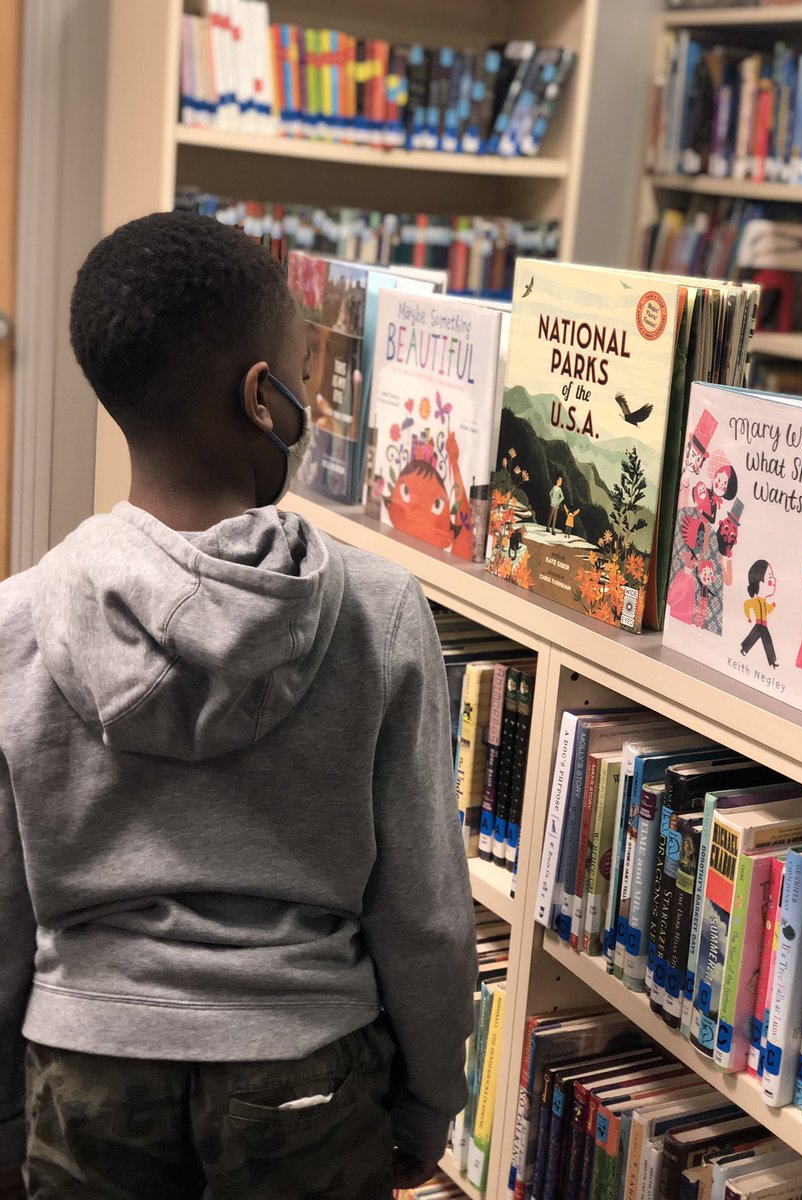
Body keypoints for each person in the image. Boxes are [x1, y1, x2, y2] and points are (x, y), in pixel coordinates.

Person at [0, 211, 477, 1200]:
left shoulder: (16, 622)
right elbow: (423, 907)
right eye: (304, 372)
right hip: (309, 1067)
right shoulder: (380, 612)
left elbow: (3, 905)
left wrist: (9, 1115)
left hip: (85, 1061)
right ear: (267, 397)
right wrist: (429, 1099)